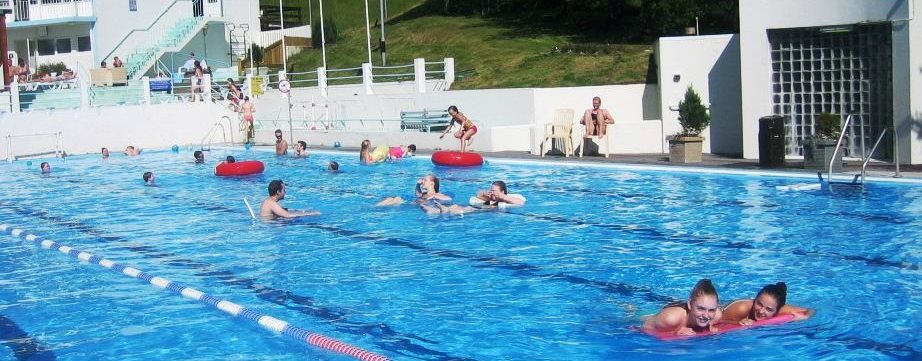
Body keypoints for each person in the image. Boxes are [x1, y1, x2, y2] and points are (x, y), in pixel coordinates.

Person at [643, 279, 722, 337]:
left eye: (711, 310)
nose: (706, 315)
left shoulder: (716, 316)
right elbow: (642, 327)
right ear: (690, 305)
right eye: (701, 308)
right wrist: (675, 332)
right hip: (647, 313)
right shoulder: (670, 319)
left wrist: (708, 326)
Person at [720, 282, 815, 325]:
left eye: (768, 309)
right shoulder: (741, 308)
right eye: (759, 304)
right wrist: (737, 322)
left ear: (777, 310)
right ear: (755, 299)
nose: (761, 311)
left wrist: (805, 317)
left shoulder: (779, 308)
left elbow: (811, 311)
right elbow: (717, 320)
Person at [377, 175, 452, 207]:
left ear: (432, 184)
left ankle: (374, 208)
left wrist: (434, 196)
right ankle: (375, 207)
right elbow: (418, 194)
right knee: (390, 199)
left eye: (425, 180)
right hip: (411, 204)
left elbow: (449, 199)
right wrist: (417, 185)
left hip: (411, 206)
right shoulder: (424, 194)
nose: (422, 181)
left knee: (397, 199)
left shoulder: (437, 194)